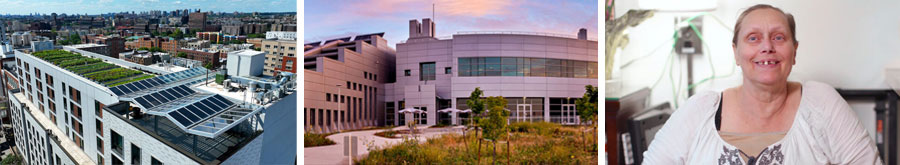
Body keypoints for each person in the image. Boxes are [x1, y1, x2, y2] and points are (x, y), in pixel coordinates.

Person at [642, 4, 882, 164]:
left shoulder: (822, 103)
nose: (767, 46)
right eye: (753, 38)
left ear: (794, 51)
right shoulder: (700, 110)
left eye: (778, 37)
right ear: (736, 53)